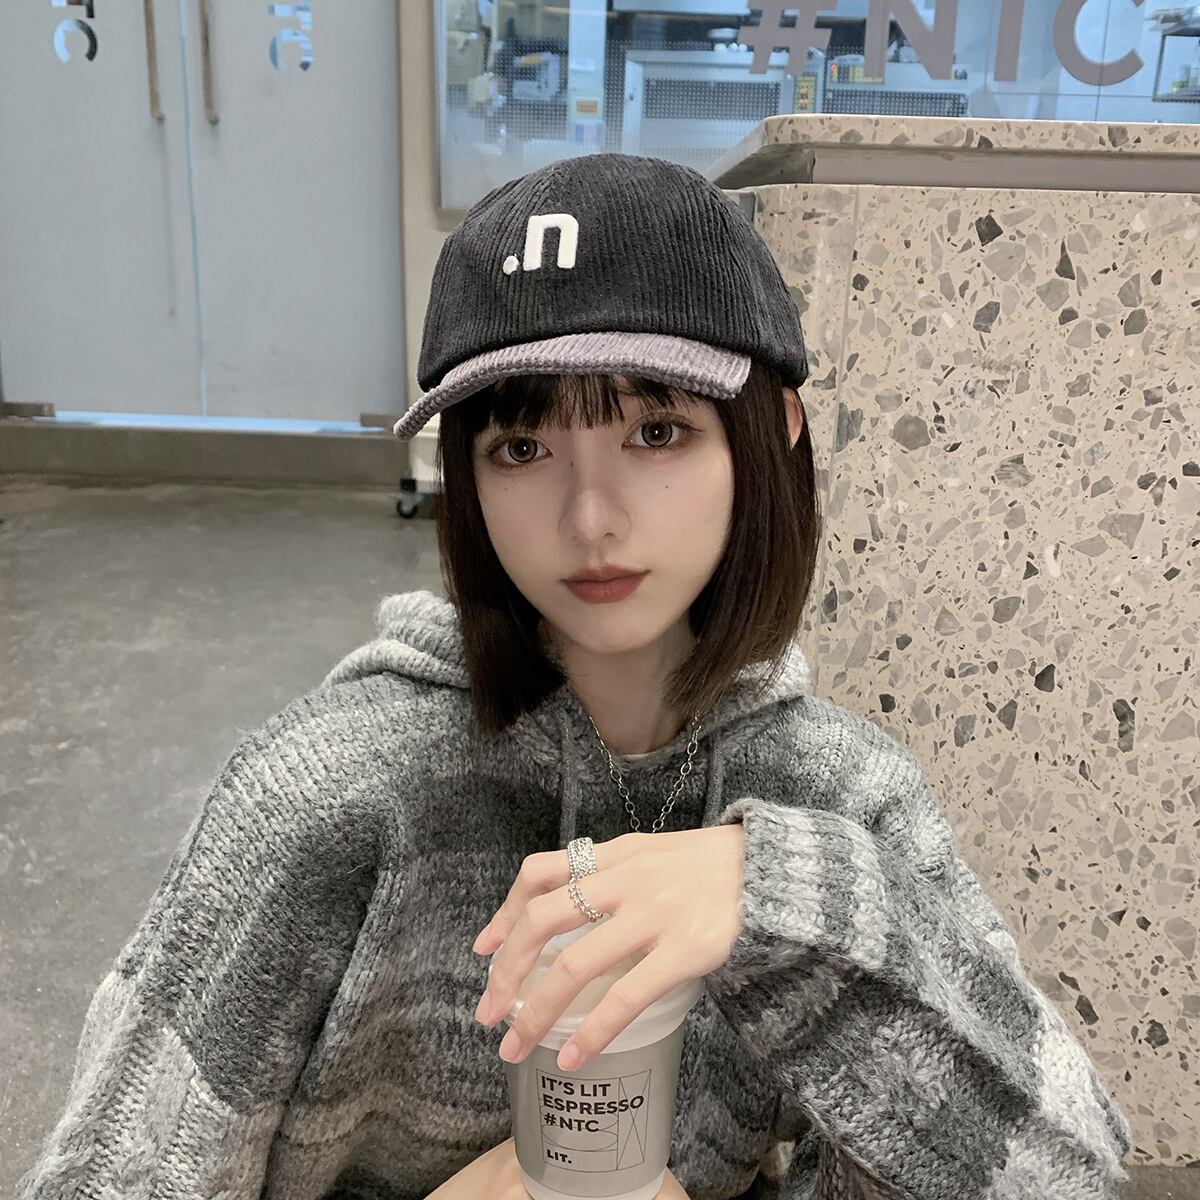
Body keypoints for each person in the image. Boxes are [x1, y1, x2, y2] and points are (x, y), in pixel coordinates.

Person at [17, 153, 1133, 1200]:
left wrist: (783, 903)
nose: (590, 518)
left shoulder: (838, 796)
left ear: (775, 429)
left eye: (657, 432)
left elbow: (1068, 1166)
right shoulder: (329, 797)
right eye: (521, 447)